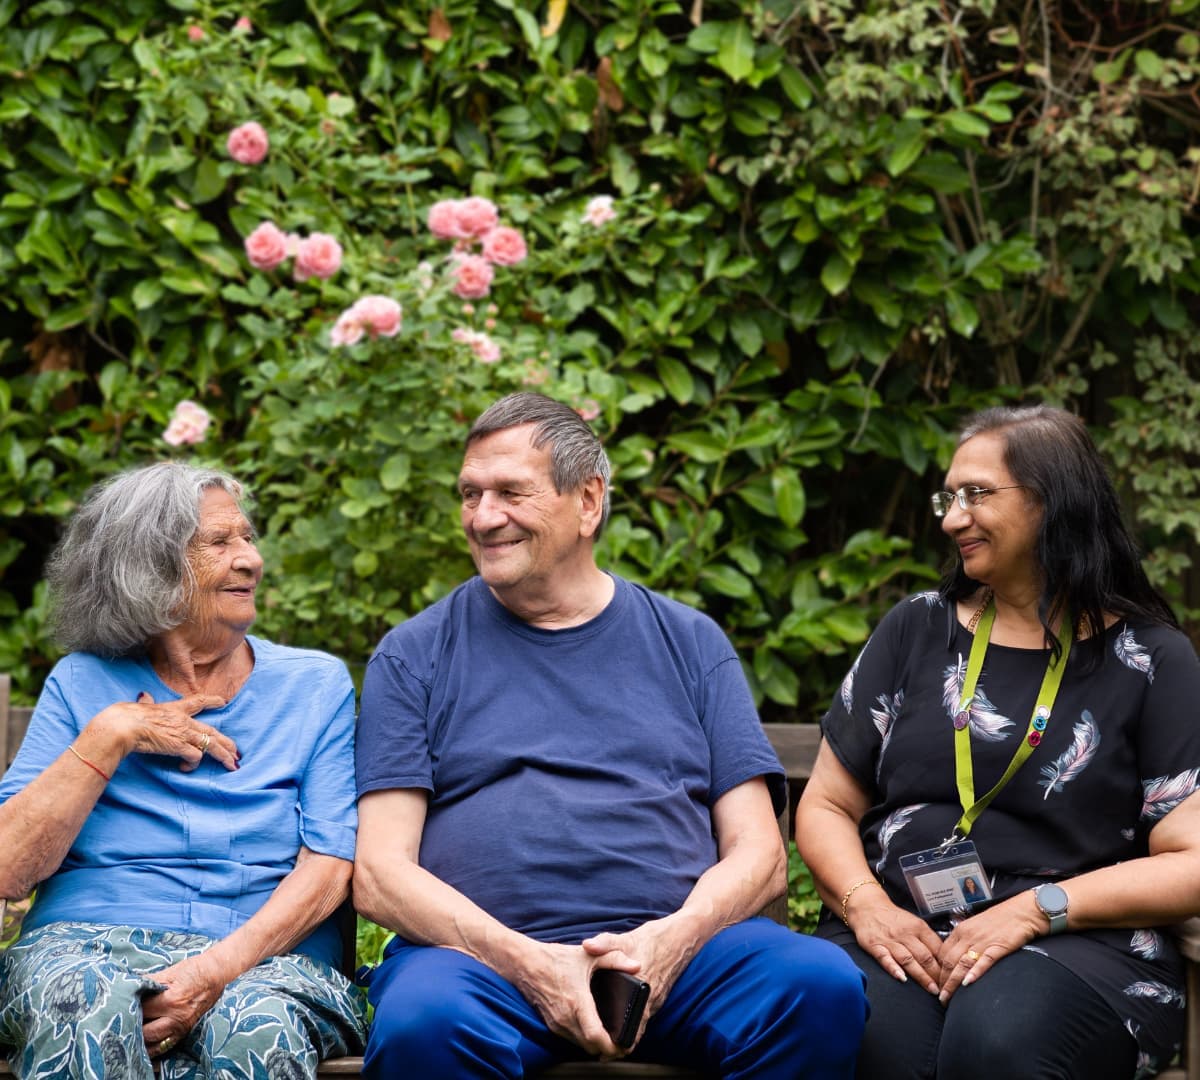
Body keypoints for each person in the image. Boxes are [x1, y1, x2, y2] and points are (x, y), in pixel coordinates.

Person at [353, 391, 867, 1079]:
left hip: (682, 964)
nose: (483, 517)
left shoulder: (689, 642)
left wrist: (670, 943)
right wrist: (528, 962)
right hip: (481, 970)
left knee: (816, 987)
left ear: (588, 501)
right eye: (470, 494)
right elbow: (383, 874)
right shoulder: (414, 654)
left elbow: (759, 851)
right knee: (423, 1024)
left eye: (510, 492)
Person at [795, 405, 1200, 1080]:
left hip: (1076, 940)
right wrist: (866, 907)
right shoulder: (915, 630)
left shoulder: (1151, 661)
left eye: (976, 494)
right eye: (947, 498)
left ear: (1055, 503)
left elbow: (1190, 862)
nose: (953, 518)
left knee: (996, 1047)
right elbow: (827, 804)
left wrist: (1035, 911)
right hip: (901, 930)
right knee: (867, 1038)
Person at [0, 463, 366, 1079]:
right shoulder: (81, 683)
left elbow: (331, 865)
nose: (250, 558)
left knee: (257, 1028)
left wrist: (213, 971)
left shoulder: (314, 684)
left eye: (247, 538)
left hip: (265, 959)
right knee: (82, 1004)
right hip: (84, 946)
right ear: (149, 569)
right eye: (219, 543)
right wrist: (110, 735)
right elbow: (10, 868)